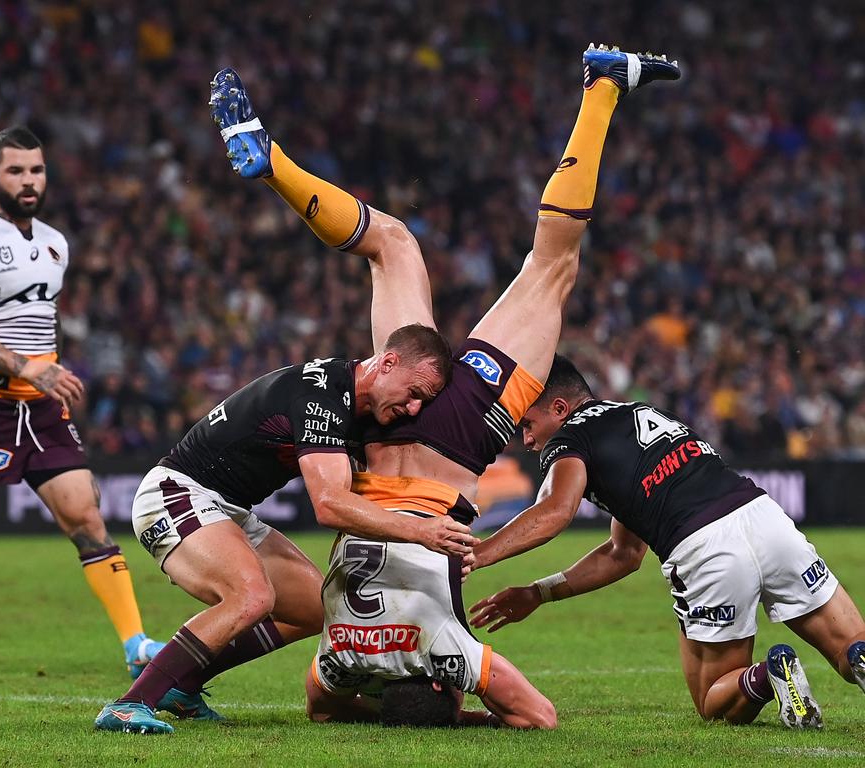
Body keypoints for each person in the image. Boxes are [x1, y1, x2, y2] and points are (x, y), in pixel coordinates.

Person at [201, 47, 679, 727]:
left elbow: (534, 717)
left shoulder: (446, 654)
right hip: (385, 423)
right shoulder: (336, 661)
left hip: (456, 443)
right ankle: (273, 162)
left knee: (552, 265)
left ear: (447, 690)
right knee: (392, 242)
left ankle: (603, 86)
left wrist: (461, 714)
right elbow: (321, 706)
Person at [94, 323, 474, 733]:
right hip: (176, 491)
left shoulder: (353, 408)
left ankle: (182, 682)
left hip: (228, 509)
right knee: (251, 596)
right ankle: (129, 704)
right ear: (388, 362)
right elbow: (329, 504)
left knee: (315, 605)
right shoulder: (323, 396)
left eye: (423, 402)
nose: (413, 408)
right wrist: (421, 532)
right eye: (413, 393)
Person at [468, 355, 865, 729]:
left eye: (528, 423)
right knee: (852, 646)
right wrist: (539, 593)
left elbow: (555, 511)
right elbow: (623, 554)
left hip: (705, 548)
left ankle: (768, 675)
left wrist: (478, 552)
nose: (526, 438)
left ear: (559, 408)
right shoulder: (643, 413)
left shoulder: (568, 439)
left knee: (713, 699)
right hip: (766, 520)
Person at [0, 126, 165, 683]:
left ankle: (136, 642)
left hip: (41, 405)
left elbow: (31, 323)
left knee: (85, 514)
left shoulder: (54, 242)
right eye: (16, 171)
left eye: (37, 170)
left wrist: (45, 369)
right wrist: (27, 366)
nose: (29, 181)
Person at [304, 529, 556, 729]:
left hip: (426, 508)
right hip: (361, 512)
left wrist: (475, 718)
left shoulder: (446, 653)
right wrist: (388, 713)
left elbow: (540, 718)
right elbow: (322, 712)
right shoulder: (340, 658)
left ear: (439, 683)